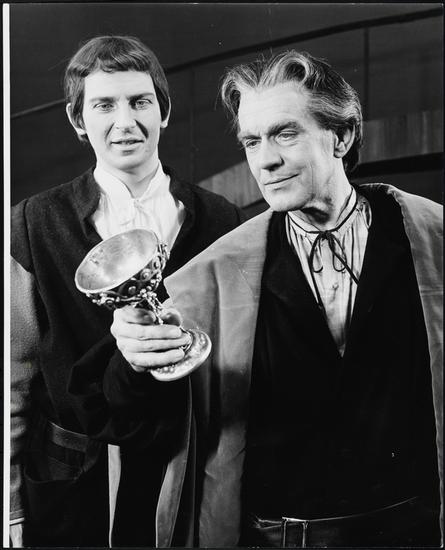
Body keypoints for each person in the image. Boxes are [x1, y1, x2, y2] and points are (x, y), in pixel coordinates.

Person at [68, 50, 443, 547]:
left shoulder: (431, 239)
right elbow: (123, 413)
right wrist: (135, 360)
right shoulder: (215, 271)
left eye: (285, 134)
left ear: (342, 136)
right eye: (251, 141)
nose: (265, 160)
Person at [10, 35, 245, 547]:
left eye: (140, 101)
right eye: (103, 105)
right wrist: (8, 506)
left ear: (164, 111)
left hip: (187, 471)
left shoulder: (222, 219)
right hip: (75, 486)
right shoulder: (31, 224)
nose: (125, 121)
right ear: (78, 120)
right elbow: (11, 378)